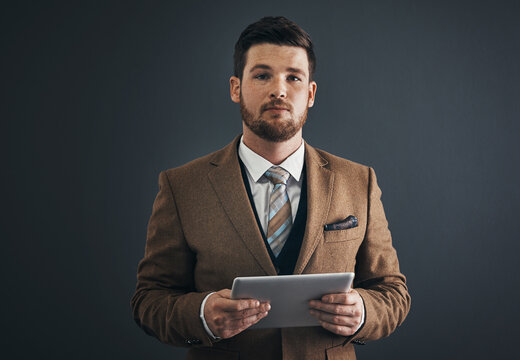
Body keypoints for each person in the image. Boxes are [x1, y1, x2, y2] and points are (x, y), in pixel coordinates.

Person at [131, 16, 410, 360]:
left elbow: (393, 292)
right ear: (236, 88)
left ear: (310, 94)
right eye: (262, 75)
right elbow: (149, 300)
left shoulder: (359, 182)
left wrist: (364, 311)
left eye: (293, 77)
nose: (279, 89)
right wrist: (202, 314)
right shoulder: (182, 186)